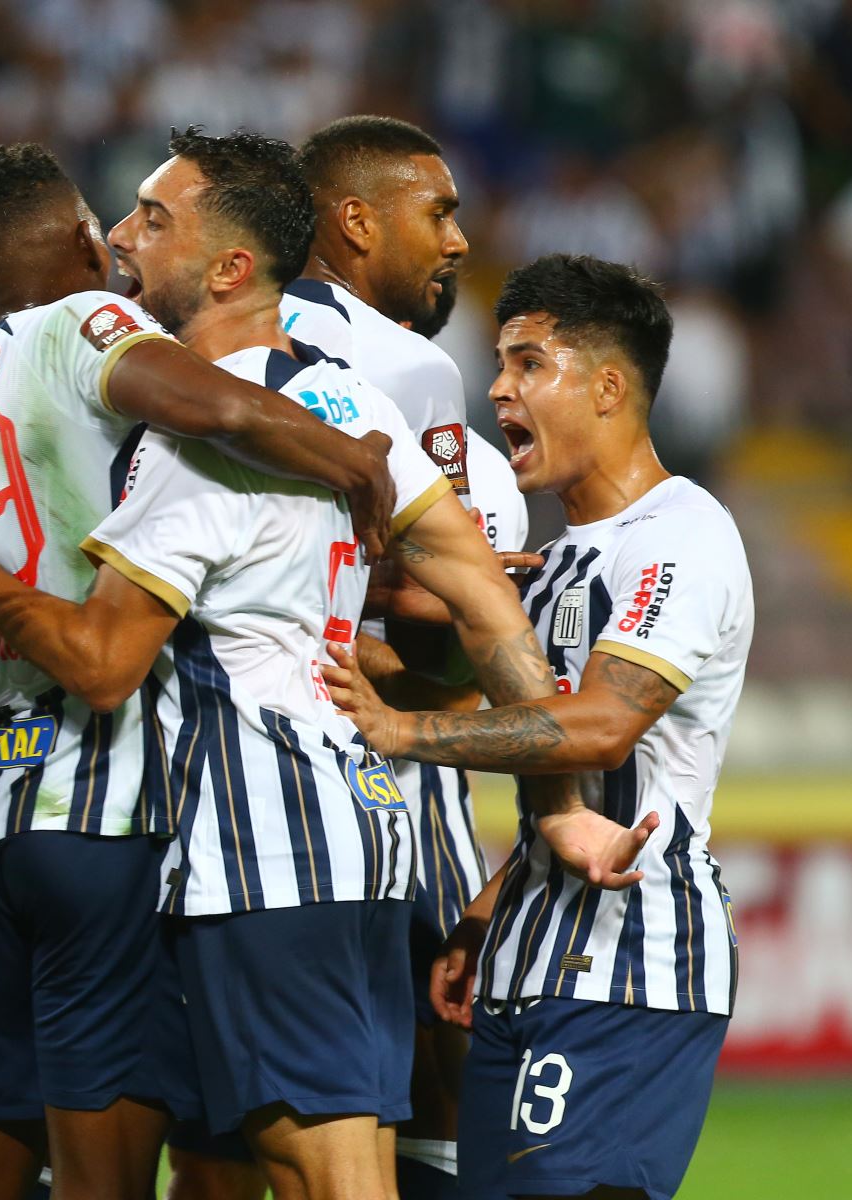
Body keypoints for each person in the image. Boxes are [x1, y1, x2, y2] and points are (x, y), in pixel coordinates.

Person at [0, 128, 650, 1200]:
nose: (121, 239)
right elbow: (489, 604)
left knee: (325, 1175)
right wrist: (555, 806)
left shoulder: (194, 452)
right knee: (239, 1168)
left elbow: (106, 663)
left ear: (226, 268)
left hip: (260, 852)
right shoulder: (356, 407)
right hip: (354, 830)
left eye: (153, 221)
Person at [0, 142, 398, 1200]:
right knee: (165, 1170)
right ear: (92, 242)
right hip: (106, 801)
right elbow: (214, 401)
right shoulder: (94, 325)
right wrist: (347, 454)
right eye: (120, 224)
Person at [324, 254, 750, 1200]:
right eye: (502, 365)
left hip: (631, 959)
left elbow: (600, 729)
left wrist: (402, 734)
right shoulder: (555, 562)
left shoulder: (685, 533)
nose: (498, 388)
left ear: (607, 386)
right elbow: (531, 740)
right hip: (526, 954)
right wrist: (486, 913)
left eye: (527, 365)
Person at [163, 112, 533, 1200]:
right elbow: (447, 596)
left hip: (229, 803)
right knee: (414, 1085)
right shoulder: (404, 371)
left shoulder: (170, 358)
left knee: (238, 1136)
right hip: (375, 793)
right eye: (441, 214)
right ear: (354, 222)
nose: (458, 241)